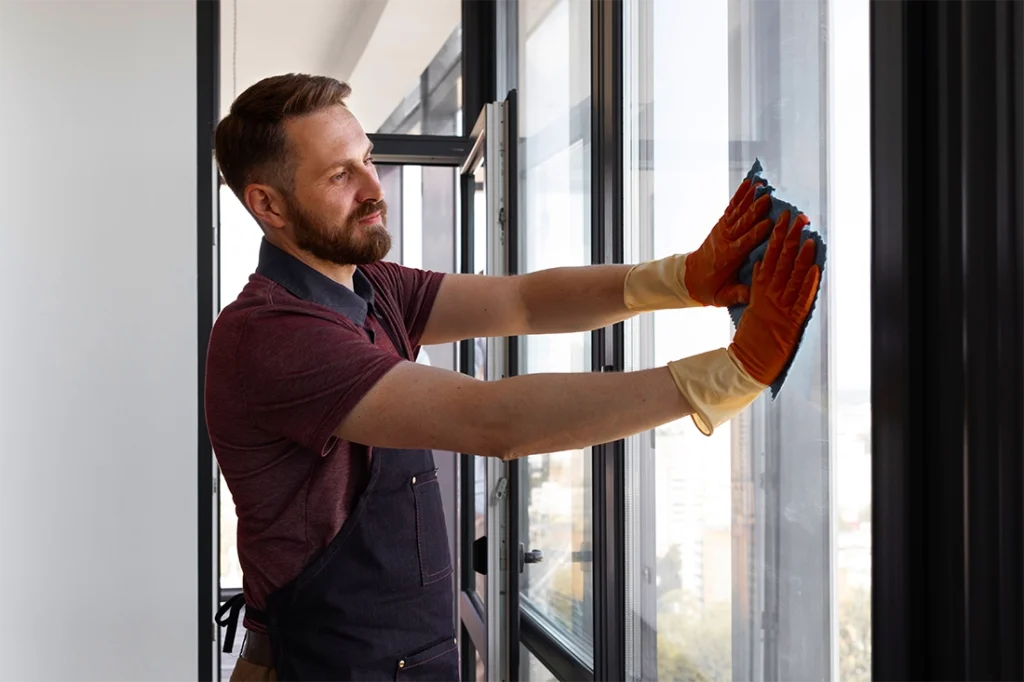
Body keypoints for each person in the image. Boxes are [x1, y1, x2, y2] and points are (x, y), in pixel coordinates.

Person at [206, 73, 820, 682]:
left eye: (367, 159)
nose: (373, 190)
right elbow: (493, 420)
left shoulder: (367, 286)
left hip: (395, 656)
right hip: (327, 663)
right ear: (268, 204)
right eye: (341, 175)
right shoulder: (273, 334)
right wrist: (730, 373)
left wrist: (685, 278)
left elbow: (523, 302)